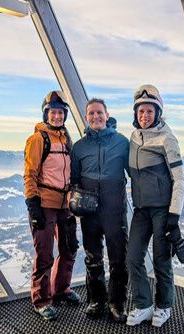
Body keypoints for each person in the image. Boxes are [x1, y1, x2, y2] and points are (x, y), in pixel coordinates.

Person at [126, 84, 184, 328]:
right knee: (133, 257)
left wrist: (174, 214)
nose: (145, 116)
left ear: (157, 113)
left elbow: (180, 179)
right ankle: (143, 305)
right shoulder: (134, 138)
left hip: (162, 210)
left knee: (162, 260)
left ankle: (164, 306)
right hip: (141, 210)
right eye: (141, 111)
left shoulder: (167, 138)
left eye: (149, 111)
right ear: (136, 113)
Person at [70, 98, 130, 322]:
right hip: (90, 210)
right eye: (91, 113)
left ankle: (117, 303)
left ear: (107, 115)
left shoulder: (122, 142)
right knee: (92, 256)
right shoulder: (79, 147)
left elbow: (134, 172)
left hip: (115, 209)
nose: (96, 116)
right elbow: (74, 179)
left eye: (99, 113)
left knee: (118, 257)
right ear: (86, 117)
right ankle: (97, 300)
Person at [24, 90, 81, 321]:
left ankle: (61, 290)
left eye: (60, 113)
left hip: (65, 204)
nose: (57, 116)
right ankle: (41, 300)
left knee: (69, 247)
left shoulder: (66, 139)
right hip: (45, 203)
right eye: (53, 112)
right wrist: (33, 205)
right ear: (46, 114)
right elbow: (30, 174)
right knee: (45, 253)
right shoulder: (38, 139)